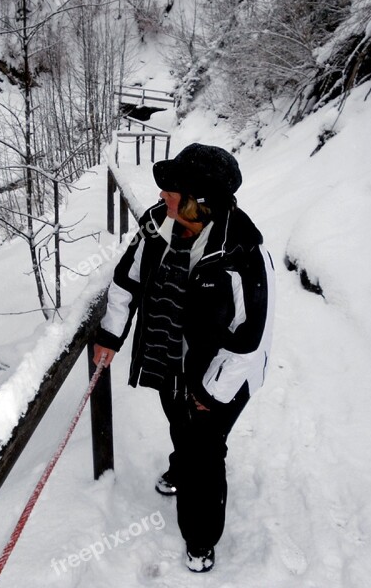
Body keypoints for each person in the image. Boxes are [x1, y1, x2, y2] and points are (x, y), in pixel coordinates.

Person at [93, 143, 275, 573]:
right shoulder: (158, 224)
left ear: (199, 201)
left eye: (172, 189)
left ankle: (200, 538)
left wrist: (209, 394)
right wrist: (109, 335)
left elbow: (249, 340)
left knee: (205, 454)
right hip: (170, 362)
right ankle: (182, 464)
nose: (161, 196)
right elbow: (127, 280)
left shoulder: (241, 252)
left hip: (223, 376)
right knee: (182, 427)